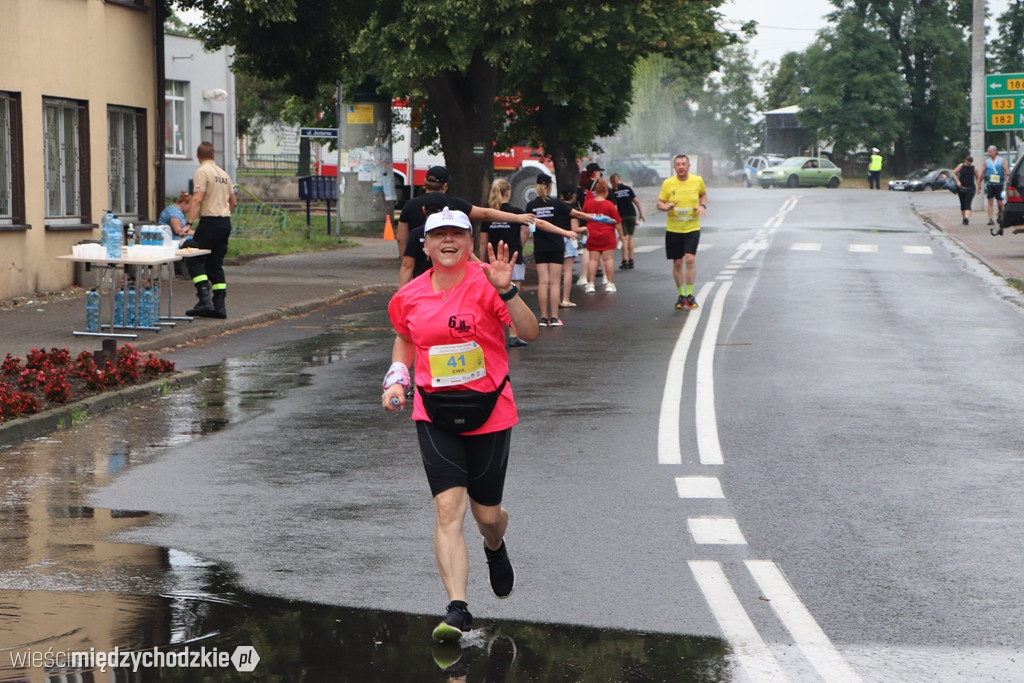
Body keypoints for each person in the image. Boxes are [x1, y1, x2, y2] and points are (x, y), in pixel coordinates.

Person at [381, 208, 539, 643]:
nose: (448, 241)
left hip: (490, 409)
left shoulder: (489, 281)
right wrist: (397, 378)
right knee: (447, 509)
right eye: (439, 235)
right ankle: (457, 608)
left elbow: (530, 331)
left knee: (485, 514)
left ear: (470, 244)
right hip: (434, 411)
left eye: (457, 234)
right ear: (425, 245)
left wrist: (507, 293)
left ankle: (495, 544)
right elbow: (406, 338)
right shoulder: (409, 295)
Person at [396, 166, 534, 258]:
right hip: (446, 259)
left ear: (425, 181)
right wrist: (517, 218)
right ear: (445, 186)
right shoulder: (454, 203)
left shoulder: (409, 205)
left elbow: (401, 238)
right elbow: (486, 214)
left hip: (418, 262)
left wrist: (406, 259)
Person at [525, 173, 591, 326]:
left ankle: (543, 317)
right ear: (549, 186)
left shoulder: (531, 206)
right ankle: (554, 317)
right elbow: (575, 213)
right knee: (555, 282)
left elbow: (529, 229)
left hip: (540, 246)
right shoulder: (557, 204)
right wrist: (593, 218)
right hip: (556, 245)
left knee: (543, 282)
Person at [182, 142, 237, 318]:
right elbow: (233, 202)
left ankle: (204, 299)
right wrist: (224, 214)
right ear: (213, 155)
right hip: (225, 223)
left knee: (192, 257)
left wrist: (189, 223)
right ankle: (219, 307)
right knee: (215, 264)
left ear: (198, 156)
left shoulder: (202, 172)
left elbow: (197, 199)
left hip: (209, 222)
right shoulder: (224, 174)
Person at [478, 179, 530, 347]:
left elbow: (482, 242)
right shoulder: (515, 213)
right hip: (513, 257)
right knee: (513, 298)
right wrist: (519, 246)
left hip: (494, 262)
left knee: (494, 300)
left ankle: (495, 333)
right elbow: (526, 230)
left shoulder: (489, 215)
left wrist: (482, 261)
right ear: (509, 191)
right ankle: (514, 334)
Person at [657, 154, 707, 310]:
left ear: (689, 166)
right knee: (678, 262)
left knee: (690, 259)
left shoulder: (697, 180)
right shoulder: (668, 183)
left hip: (692, 227)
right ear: (674, 167)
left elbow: (703, 195)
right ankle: (681, 295)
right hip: (674, 228)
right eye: (678, 164)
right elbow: (659, 202)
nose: (681, 167)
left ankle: (690, 295)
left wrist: (702, 206)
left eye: (684, 164)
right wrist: (665, 207)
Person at [581, 179, 623, 293]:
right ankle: (610, 283)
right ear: (606, 191)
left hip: (592, 234)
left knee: (593, 260)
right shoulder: (609, 205)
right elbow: (617, 221)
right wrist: (621, 235)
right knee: (608, 259)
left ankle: (591, 284)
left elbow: (583, 216)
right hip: (607, 235)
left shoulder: (588, 203)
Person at [609, 173, 644, 269]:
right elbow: (636, 201)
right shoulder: (628, 189)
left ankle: (625, 260)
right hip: (632, 215)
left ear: (611, 182)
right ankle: (631, 260)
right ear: (620, 179)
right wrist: (641, 214)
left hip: (621, 216)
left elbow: (613, 207)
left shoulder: (612, 192)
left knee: (624, 238)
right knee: (631, 237)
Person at [559, 189, 582, 309]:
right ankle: (565, 299)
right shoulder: (572, 209)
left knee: (557, 272)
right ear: (573, 196)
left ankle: (556, 298)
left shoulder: (557, 206)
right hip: (568, 239)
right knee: (568, 270)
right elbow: (575, 228)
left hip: (556, 238)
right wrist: (585, 229)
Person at [983, 145, 1010, 232]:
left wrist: (1007, 178)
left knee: (999, 202)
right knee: (990, 201)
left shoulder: (1001, 160)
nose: (989, 153)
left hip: (999, 184)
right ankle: (990, 219)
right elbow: (983, 172)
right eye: (988, 152)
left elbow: (1006, 170)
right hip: (990, 184)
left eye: (991, 152)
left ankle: (1000, 213)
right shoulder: (987, 162)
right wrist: (980, 182)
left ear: (995, 152)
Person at [953, 155, 981, 226]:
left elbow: (977, 177)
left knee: (968, 203)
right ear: (965, 160)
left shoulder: (974, 168)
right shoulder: (961, 166)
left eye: (970, 162)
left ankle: (966, 218)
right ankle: (964, 218)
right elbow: (954, 173)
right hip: (961, 188)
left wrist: (979, 186)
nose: (968, 163)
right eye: (967, 162)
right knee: (963, 204)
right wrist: (957, 181)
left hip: (970, 188)